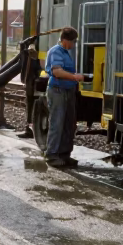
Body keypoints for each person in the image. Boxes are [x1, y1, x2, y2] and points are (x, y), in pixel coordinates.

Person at [44, 27, 85, 168]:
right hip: (58, 91)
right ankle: (51, 155)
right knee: (57, 123)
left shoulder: (66, 53)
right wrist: (74, 77)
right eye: (73, 41)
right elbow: (57, 71)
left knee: (69, 124)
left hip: (67, 91)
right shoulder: (56, 51)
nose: (74, 44)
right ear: (66, 40)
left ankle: (64, 154)